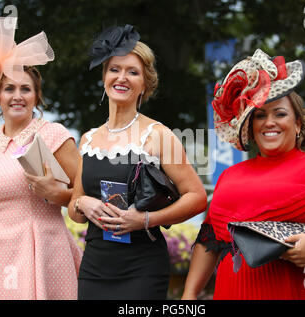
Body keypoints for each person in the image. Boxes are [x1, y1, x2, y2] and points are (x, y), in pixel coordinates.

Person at [182, 49, 305, 300]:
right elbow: (210, 242)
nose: (270, 122)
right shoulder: (229, 176)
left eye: (280, 113)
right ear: (250, 126)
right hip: (235, 291)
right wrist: (189, 295)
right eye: (260, 115)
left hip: (301, 290)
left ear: (298, 124)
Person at [67, 24, 207, 300]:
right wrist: (82, 203)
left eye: (133, 72)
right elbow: (74, 210)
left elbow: (197, 197)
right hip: (94, 266)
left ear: (145, 84)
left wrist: (145, 219)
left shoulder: (158, 136)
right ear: (104, 77)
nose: (122, 77)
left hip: (142, 268)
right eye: (114, 69)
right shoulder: (88, 139)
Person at [0, 17, 82, 300]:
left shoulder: (53, 135)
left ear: (36, 96)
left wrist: (59, 195)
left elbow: (87, 192)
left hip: (44, 250)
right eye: (9, 89)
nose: (17, 96)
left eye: (26, 89)